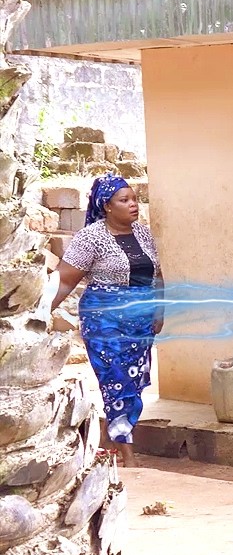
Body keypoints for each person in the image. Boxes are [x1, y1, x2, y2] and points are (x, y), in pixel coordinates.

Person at [50, 175, 164, 467]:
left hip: (140, 322)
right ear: (107, 206)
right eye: (124, 200)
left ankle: (109, 438)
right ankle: (128, 455)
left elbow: (157, 276)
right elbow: (65, 280)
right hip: (104, 321)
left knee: (133, 383)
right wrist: (41, 312)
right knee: (116, 381)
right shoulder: (90, 238)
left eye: (134, 199)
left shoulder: (143, 234)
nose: (133, 204)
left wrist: (159, 311)